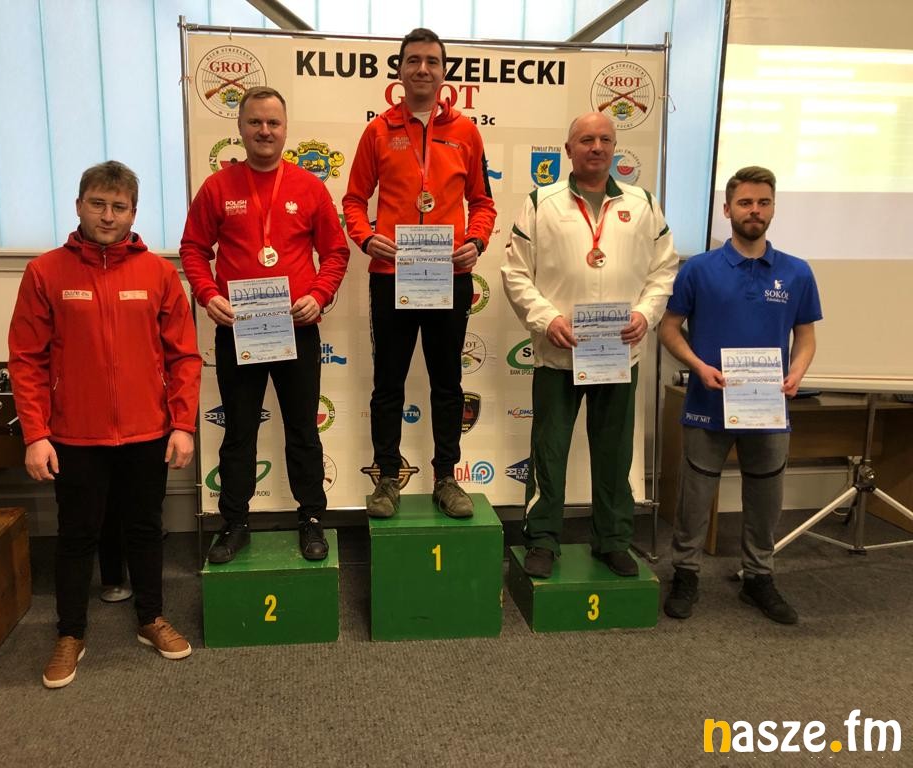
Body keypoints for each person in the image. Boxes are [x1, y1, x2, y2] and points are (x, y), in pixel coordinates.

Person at [9, 160, 201, 689]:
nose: (108, 216)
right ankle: (70, 633)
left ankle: (150, 618)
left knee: (145, 529)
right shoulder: (45, 272)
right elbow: (26, 359)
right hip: (74, 435)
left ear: (134, 212)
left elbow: (184, 356)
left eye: (119, 207)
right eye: (98, 204)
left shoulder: (159, 273)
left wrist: (182, 424)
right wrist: (36, 434)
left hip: (147, 432)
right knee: (76, 535)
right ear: (79, 206)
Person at [502, 112, 676, 578]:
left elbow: (664, 270)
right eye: (585, 140)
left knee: (614, 450)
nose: (596, 147)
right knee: (550, 449)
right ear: (568, 149)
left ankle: (613, 539)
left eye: (604, 139)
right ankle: (542, 539)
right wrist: (548, 319)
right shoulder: (541, 203)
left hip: (619, 352)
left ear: (614, 147)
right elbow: (515, 273)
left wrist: (645, 314)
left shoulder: (643, 204)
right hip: (559, 352)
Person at [180, 86, 349, 564]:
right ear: (240, 128)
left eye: (273, 123)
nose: (264, 131)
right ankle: (234, 522)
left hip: (296, 328)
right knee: (239, 432)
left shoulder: (309, 187)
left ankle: (311, 518)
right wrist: (208, 294)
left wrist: (319, 294)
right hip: (240, 330)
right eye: (255, 122)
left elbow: (335, 251)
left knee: (303, 430)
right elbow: (193, 249)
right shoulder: (217, 187)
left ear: (285, 129)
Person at [343, 27, 497, 519]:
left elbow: (483, 202)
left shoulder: (466, 132)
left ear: (444, 72)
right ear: (400, 70)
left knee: (447, 383)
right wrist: (366, 237)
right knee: (388, 383)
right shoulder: (378, 131)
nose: (423, 69)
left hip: (448, 276)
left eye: (432, 61)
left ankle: (446, 477)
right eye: (413, 61)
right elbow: (353, 200)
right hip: (392, 275)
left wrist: (476, 242)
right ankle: (387, 478)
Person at [659, 165, 821, 624]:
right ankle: (685, 573)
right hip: (708, 402)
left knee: (766, 497)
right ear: (727, 210)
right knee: (695, 494)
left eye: (763, 202)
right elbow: (668, 329)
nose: (755, 210)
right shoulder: (699, 269)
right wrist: (698, 367)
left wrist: (796, 373)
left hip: (768, 406)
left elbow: (805, 338)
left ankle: (759, 578)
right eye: (745, 202)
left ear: (773, 209)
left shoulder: (797, 272)